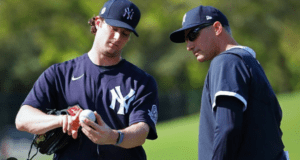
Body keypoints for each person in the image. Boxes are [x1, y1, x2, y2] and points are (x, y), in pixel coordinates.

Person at [15, 0, 159, 159]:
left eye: (125, 33)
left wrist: (113, 136)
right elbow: (23, 119)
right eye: (114, 28)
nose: (118, 37)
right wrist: (62, 120)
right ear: (98, 23)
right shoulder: (60, 74)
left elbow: (141, 132)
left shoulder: (141, 81)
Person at [170, 5, 289, 160]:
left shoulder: (226, 61)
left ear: (217, 28)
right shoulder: (249, 61)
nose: (188, 46)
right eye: (186, 40)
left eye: (193, 35)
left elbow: (227, 127)